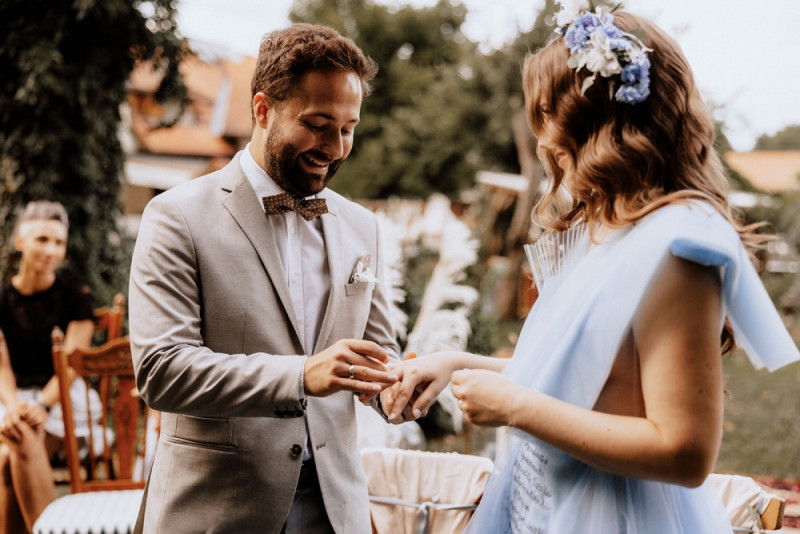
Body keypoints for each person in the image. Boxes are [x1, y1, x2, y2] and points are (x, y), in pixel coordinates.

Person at [385, 4, 800, 532]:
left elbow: (685, 453)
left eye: (545, 117)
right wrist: (457, 363)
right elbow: (581, 379)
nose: (542, 142)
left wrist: (515, 408)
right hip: (543, 506)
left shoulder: (678, 245)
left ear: (591, 123)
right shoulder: (605, 225)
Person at [129, 23, 401, 533]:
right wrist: (299, 375)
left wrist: (395, 388)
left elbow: (377, 350)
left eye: (348, 128)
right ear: (262, 109)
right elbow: (162, 370)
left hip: (335, 510)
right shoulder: (176, 216)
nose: (336, 148)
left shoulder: (363, 227)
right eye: (318, 124)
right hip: (218, 509)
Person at [0, 201, 95, 533]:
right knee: (14, 444)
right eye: (42, 239)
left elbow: (71, 363)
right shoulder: (2, 299)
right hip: (10, 397)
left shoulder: (76, 296)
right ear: (20, 242)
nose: (51, 249)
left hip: (61, 397)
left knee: (14, 448)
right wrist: (13, 407)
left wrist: (42, 405)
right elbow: (1, 366)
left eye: (58, 242)